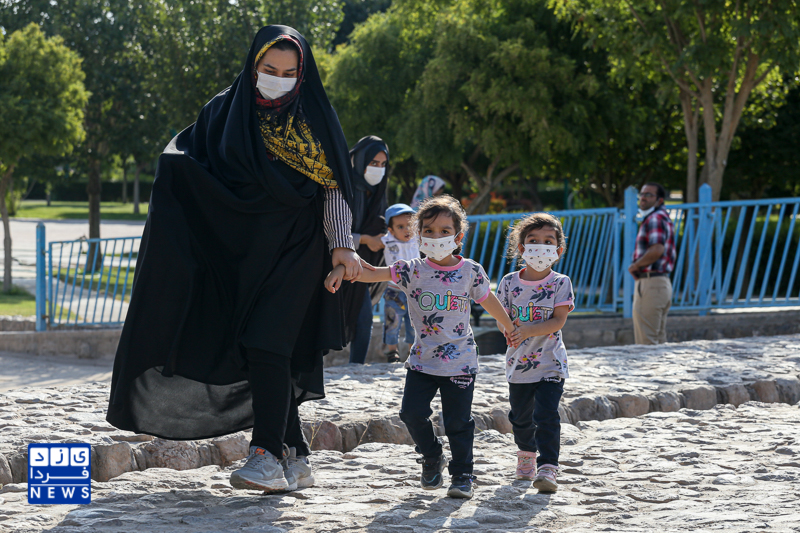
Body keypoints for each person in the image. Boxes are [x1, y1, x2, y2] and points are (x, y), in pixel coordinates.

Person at [105, 26, 363, 494]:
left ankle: (264, 456)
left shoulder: (313, 119)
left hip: (299, 248)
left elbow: (334, 187)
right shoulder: (223, 112)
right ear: (253, 66)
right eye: (269, 69)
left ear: (302, 74)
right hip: (241, 254)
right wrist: (172, 175)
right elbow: (190, 162)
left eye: (289, 72)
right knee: (256, 348)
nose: (278, 79)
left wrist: (342, 246)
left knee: (268, 341)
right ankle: (295, 452)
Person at [325, 195, 518, 499]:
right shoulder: (411, 269)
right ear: (418, 235)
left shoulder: (470, 271)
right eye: (428, 230)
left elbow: (488, 300)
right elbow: (371, 272)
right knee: (411, 414)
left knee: (458, 422)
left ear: (458, 237)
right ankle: (431, 454)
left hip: (461, 362)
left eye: (445, 231)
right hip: (422, 361)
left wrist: (508, 326)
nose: (436, 237)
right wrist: (341, 269)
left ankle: (462, 475)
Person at [496, 213, 574, 493]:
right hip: (518, 365)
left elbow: (558, 320)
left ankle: (548, 467)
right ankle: (526, 455)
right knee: (520, 417)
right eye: (533, 240)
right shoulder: (508, 282)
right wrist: (508, 329)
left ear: (558, 250)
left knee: (546, 414)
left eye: (548, 241)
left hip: (551, 363)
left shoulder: (560, 282)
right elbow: (500, 316)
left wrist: (528, 330)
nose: (541, 247)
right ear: (521, 248)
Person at [340, 136, 390, 364]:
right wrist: (365, 239)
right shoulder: (343, 187)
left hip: (360, 268)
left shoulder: (377, 192)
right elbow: (327, 228)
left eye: (383, 164)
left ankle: (356, 367)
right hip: (332, 262)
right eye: (373, 163)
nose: (378, 169)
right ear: (360, 161)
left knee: (364, 319)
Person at [628, 182, 676, 345]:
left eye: (649, 195)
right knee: (658, 341)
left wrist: (635, 265)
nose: (643, 198)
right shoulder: (663, 218)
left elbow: (657, 249)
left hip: (651, 283)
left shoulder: (655, 218)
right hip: (660, 283)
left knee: (646, 343)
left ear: (659, 200)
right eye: (642, 194)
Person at [381, 203, 419, 362]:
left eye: (409, 225)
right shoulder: (387, 241)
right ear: (391, 230)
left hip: (414, 291)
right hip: (394, 290)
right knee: (392, 322)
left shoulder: (417, 239)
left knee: (414, 323)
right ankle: (392, 352)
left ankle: (412, 352)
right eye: (400, 227)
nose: (406, 230)